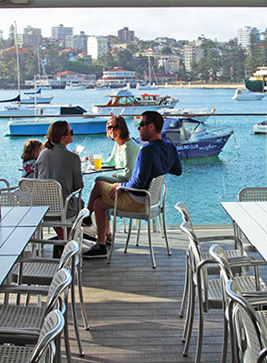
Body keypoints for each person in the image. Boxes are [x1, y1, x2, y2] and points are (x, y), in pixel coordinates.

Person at [82, 111, 182, 259]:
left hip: (137, 200)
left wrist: (121, 186)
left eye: (141, 124)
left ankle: (86, 217)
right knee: (99, 202)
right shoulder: (170, 147)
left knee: (99, 185)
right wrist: (161, 166)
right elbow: (177, 171)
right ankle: (101, 244)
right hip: (151, 200)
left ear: (151, 127)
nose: (138, 128)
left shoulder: (147, 151)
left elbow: (138, 183)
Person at [34, 121, 84, 256]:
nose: (73, 135)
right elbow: (78, 186)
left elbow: (36, 179)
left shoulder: (42, 154)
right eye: (71, 132)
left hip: (42, 208)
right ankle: (67, 244)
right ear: (63, 138)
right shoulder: (73, 158)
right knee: (80, 205)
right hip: (62, 208)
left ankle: (63, 242)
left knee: (57, 205)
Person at [97, 114, 140, 183]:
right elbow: (111, 162)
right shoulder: (118, 144)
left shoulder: (128, 147)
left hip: (130, 183)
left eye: (116, 127)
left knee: (99, 180)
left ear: (122, 128)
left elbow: (129, 175)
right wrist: (94, 163)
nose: (112, 130)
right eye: (110, 127)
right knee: (100, 182)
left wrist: (116, 175)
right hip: (125, 180)